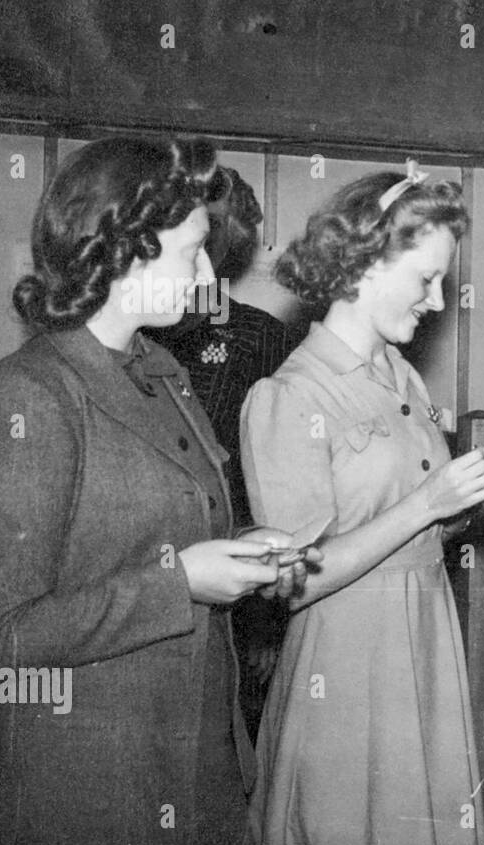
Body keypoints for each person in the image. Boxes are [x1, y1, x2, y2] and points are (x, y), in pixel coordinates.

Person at [0, 136, 312, 845]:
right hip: (86, 800)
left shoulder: (162, 374)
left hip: (194, 777)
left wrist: (242, 552)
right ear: (125, 249)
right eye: (191, 252)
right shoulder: (25, 397)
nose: (204, 276)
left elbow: (167, 536)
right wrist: (183, 581)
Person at [240, 162, 484, 845]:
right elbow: (295, 580)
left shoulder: (398, 374)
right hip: (344, 669)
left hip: (426, 649)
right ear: (365, 262)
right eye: (426, 279)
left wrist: (477, 508)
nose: (436, 302)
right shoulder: (288, 398)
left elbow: (417, 527)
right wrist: (428, 502)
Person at [144, 165, 305, 741]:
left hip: (238, 579)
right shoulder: (142, 339)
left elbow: (276, 479)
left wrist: (267, 626)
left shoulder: (263, 337)